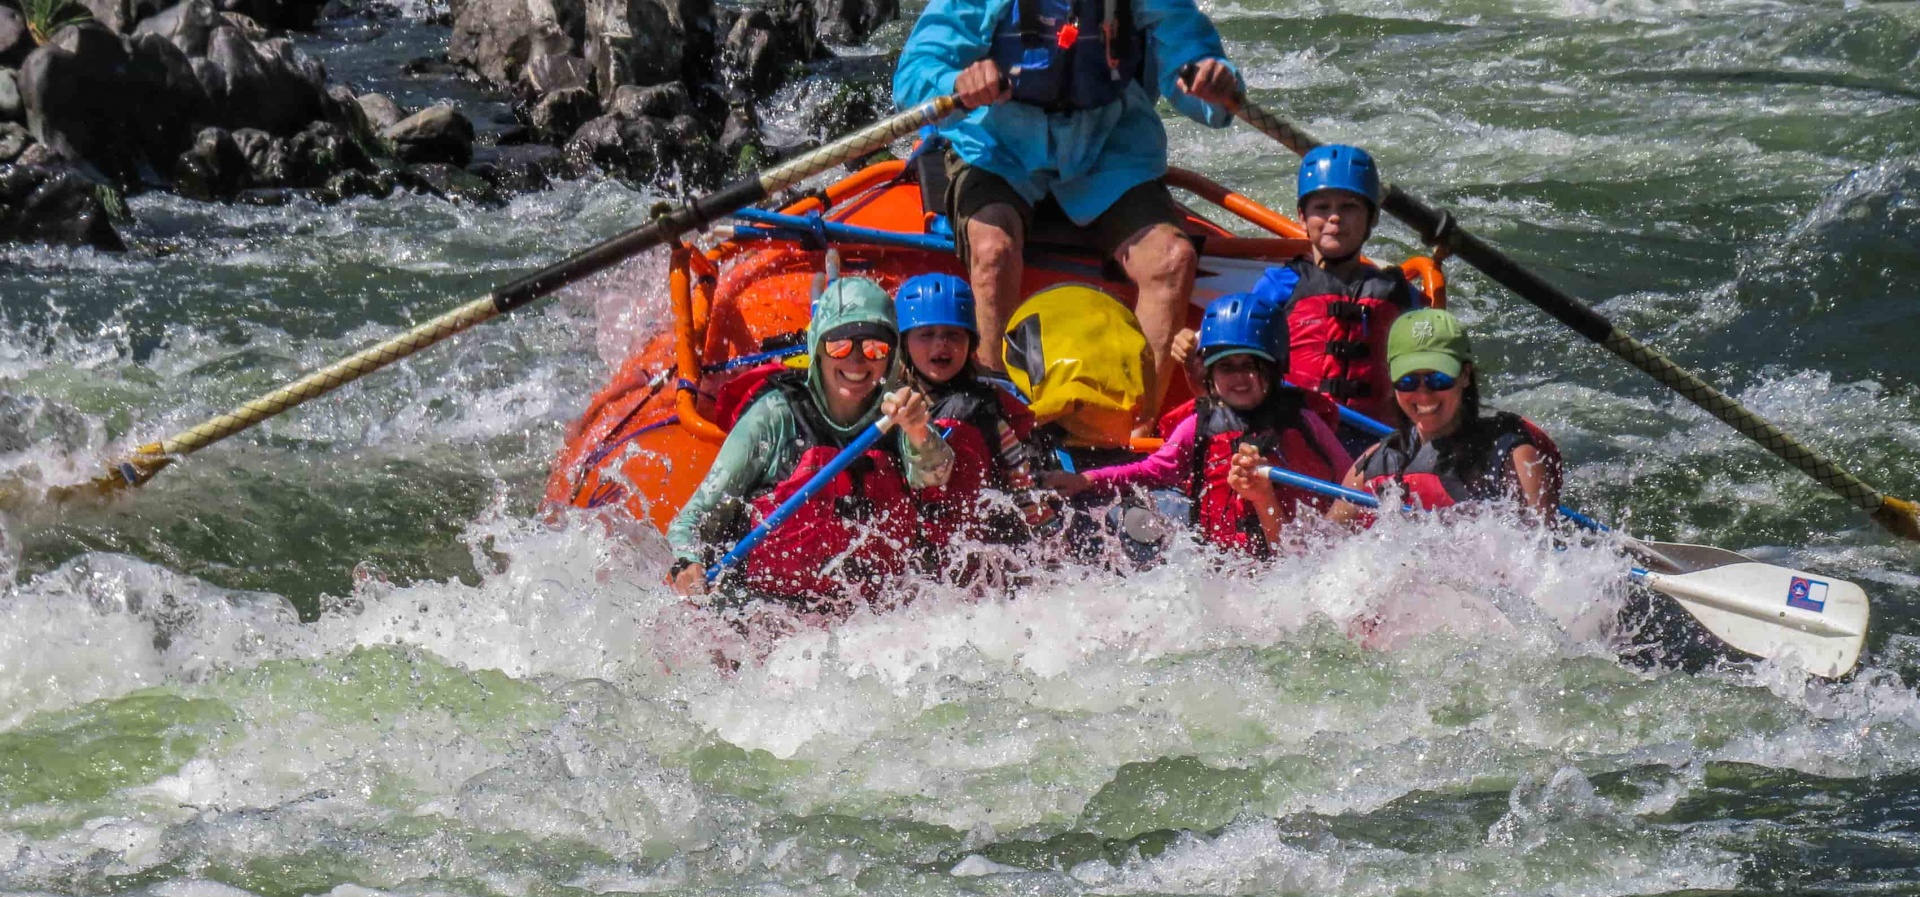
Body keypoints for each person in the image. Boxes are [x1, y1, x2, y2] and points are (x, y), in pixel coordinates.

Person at [893, 0, 1243, 431]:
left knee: (1174, 260)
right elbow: (912, 76)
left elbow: (1195, 69)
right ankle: (989, 423)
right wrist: (955, 82)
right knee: (993, 249)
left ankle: (1136, 431)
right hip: (998, 145)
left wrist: (1212, 84)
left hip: (1107, 145)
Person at [667, 277, 954, 611]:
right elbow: (692, 520)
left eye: (875, 347)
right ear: (818, 349)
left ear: (891, 356)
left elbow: (936, 476)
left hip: (867, 622)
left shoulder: (900, 415)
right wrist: (686, 563)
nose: (857, 361)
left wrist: (919, 429)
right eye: (840, 346)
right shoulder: (774, 415)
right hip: (762, 608)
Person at [1043, 293, 1352, 555]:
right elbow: (1151, 471)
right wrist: (1086, 480)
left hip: (1294, 556)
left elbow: (1350, 480)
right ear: (1210, 375)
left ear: (1273, 369)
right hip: (1223, 562)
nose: (1237, 378)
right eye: (1226, 367)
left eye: (1249, 366)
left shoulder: (1305, 421)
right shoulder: (1199, 425)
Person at [1250, 144, 1419, 445]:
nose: (1335, 218)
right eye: (1322, 207)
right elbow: (1245, 358)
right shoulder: (1280, 285)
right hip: (1298, 435)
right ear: (1302, 217)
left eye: (1350, 207)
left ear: (1372, 220)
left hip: (1381, 441)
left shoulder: (1400, 295)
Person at [1333, 308, 1563, 521]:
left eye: (1439, 379)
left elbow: (1543, 552)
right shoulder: (1375, 463)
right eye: (1407, 381)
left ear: (1465, 376)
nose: (1424, 394)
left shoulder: (1511, 458)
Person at [893, 272, 1056, 547]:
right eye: (926, 334)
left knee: (963, 415)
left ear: (970, 344)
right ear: (905, 344)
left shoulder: (985, 408)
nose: (941, 344)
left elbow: (1021, 480)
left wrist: (1047, 541)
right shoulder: (889, 402)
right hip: (912, 535)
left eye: (953, 335)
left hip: (973, 538)